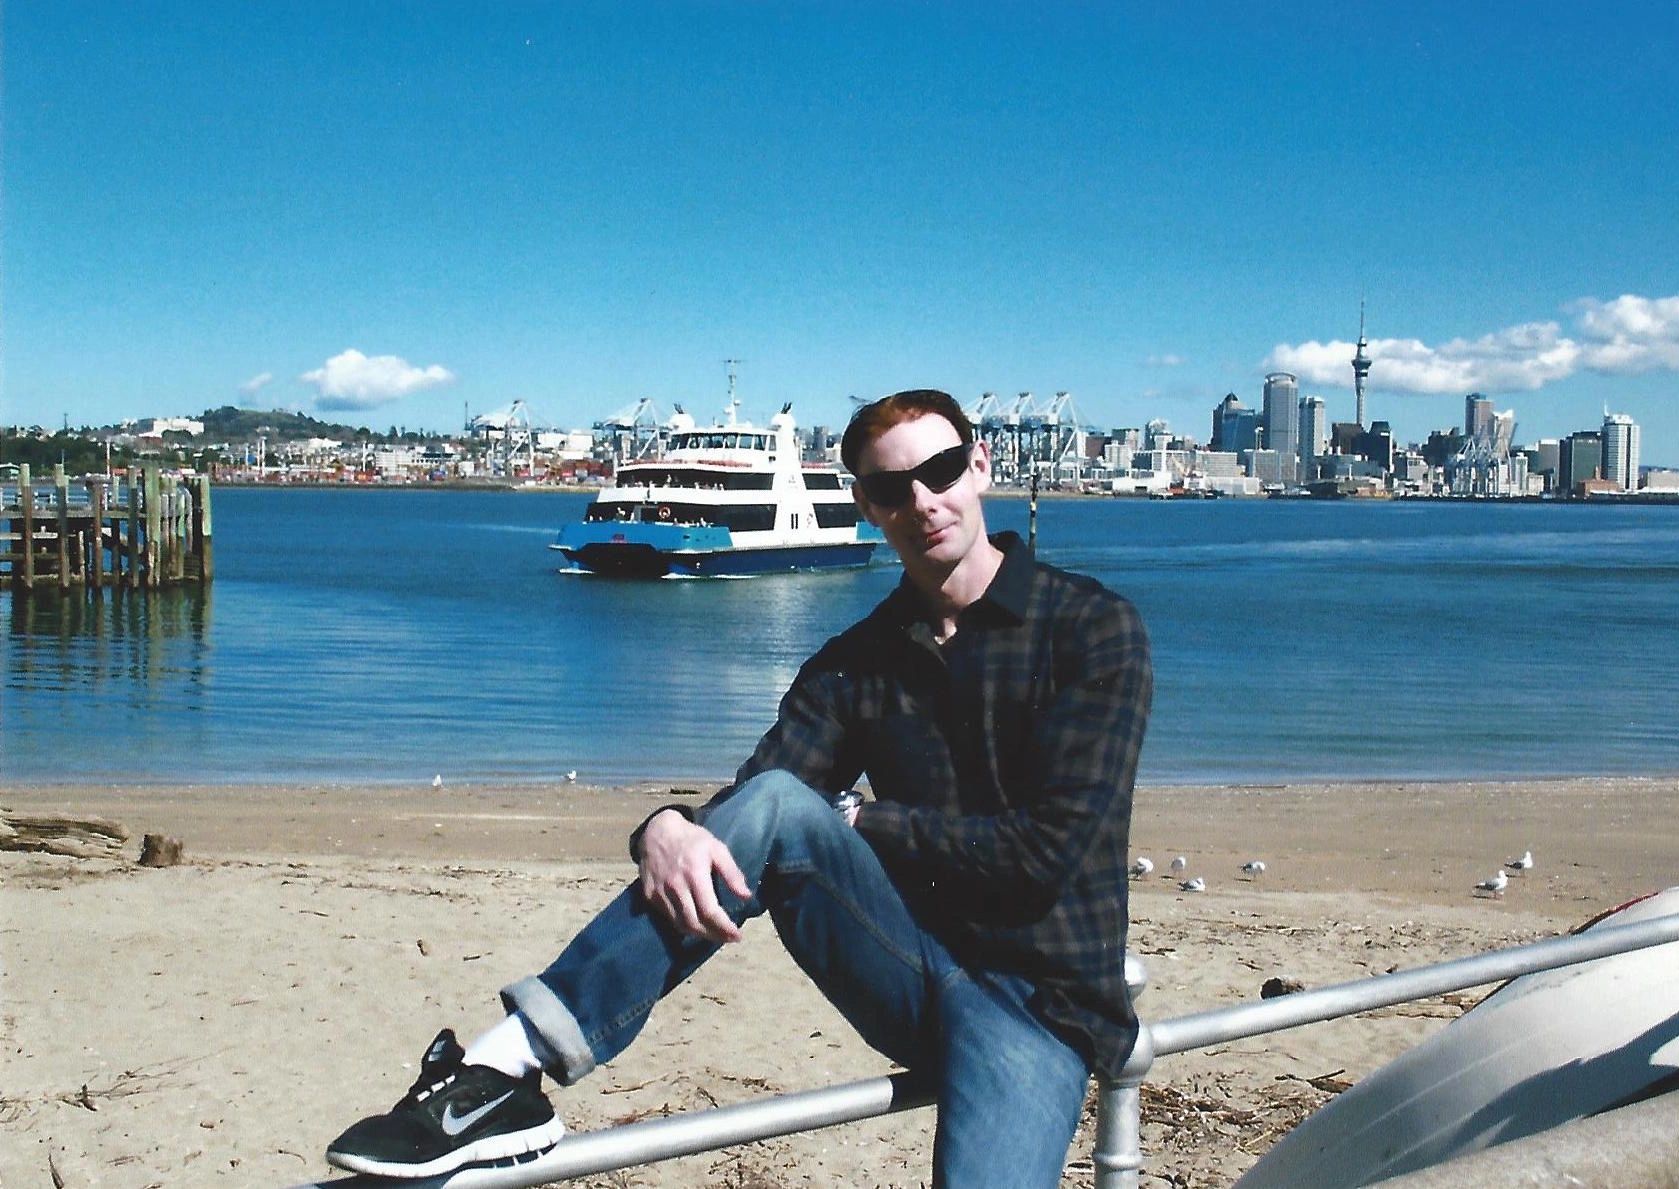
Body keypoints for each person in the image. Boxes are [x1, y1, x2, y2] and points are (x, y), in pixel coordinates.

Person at [325, 389, 1153, 1185]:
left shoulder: (1089, 628)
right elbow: (758, 804)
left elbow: (1043, 855)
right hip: (917, 975)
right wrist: (662, 825)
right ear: (867, 505)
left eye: (937, 472)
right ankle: (503, 1069)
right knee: (771, 812)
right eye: (892, 488)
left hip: (1041, 1002)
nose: (923, 501)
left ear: (978, 465)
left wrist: (865, 820)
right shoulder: (855, 660)